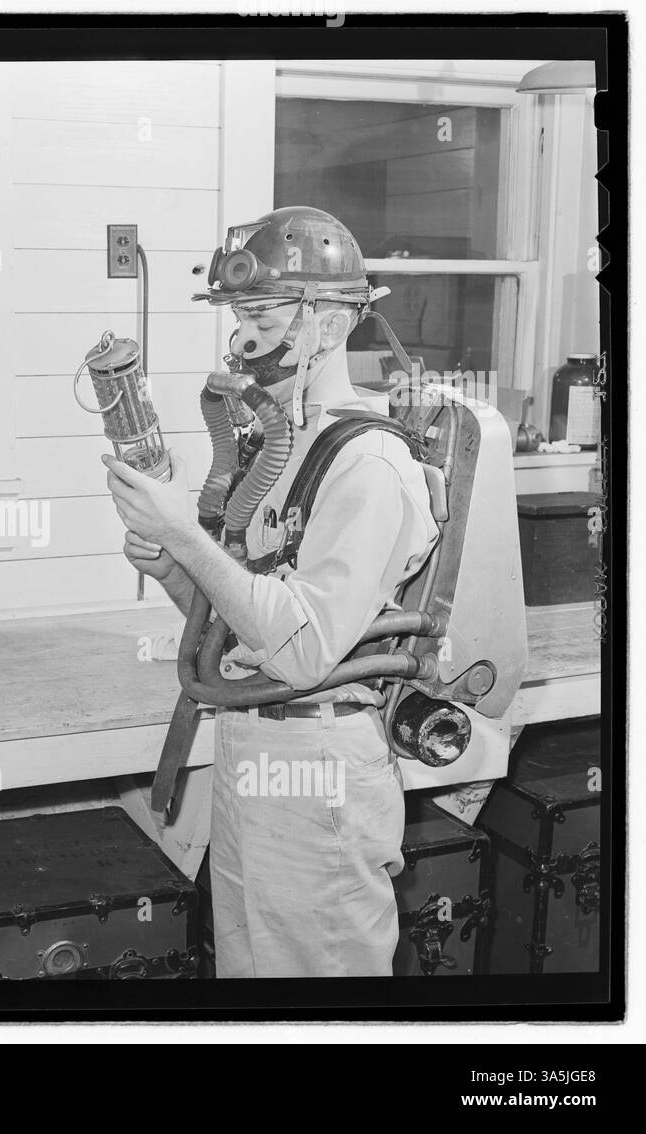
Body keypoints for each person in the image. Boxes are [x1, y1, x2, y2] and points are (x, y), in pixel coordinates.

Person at [103, 207, 438, 977]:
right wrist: (173, 570)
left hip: (318, 757)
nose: (242, 338)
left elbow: (304, 649)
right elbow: (244, 628)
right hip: (252, 745)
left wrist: (185, 537)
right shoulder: (281, 448)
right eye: (238, 317)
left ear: (327, 323)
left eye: (259, 313)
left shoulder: (368, 466)